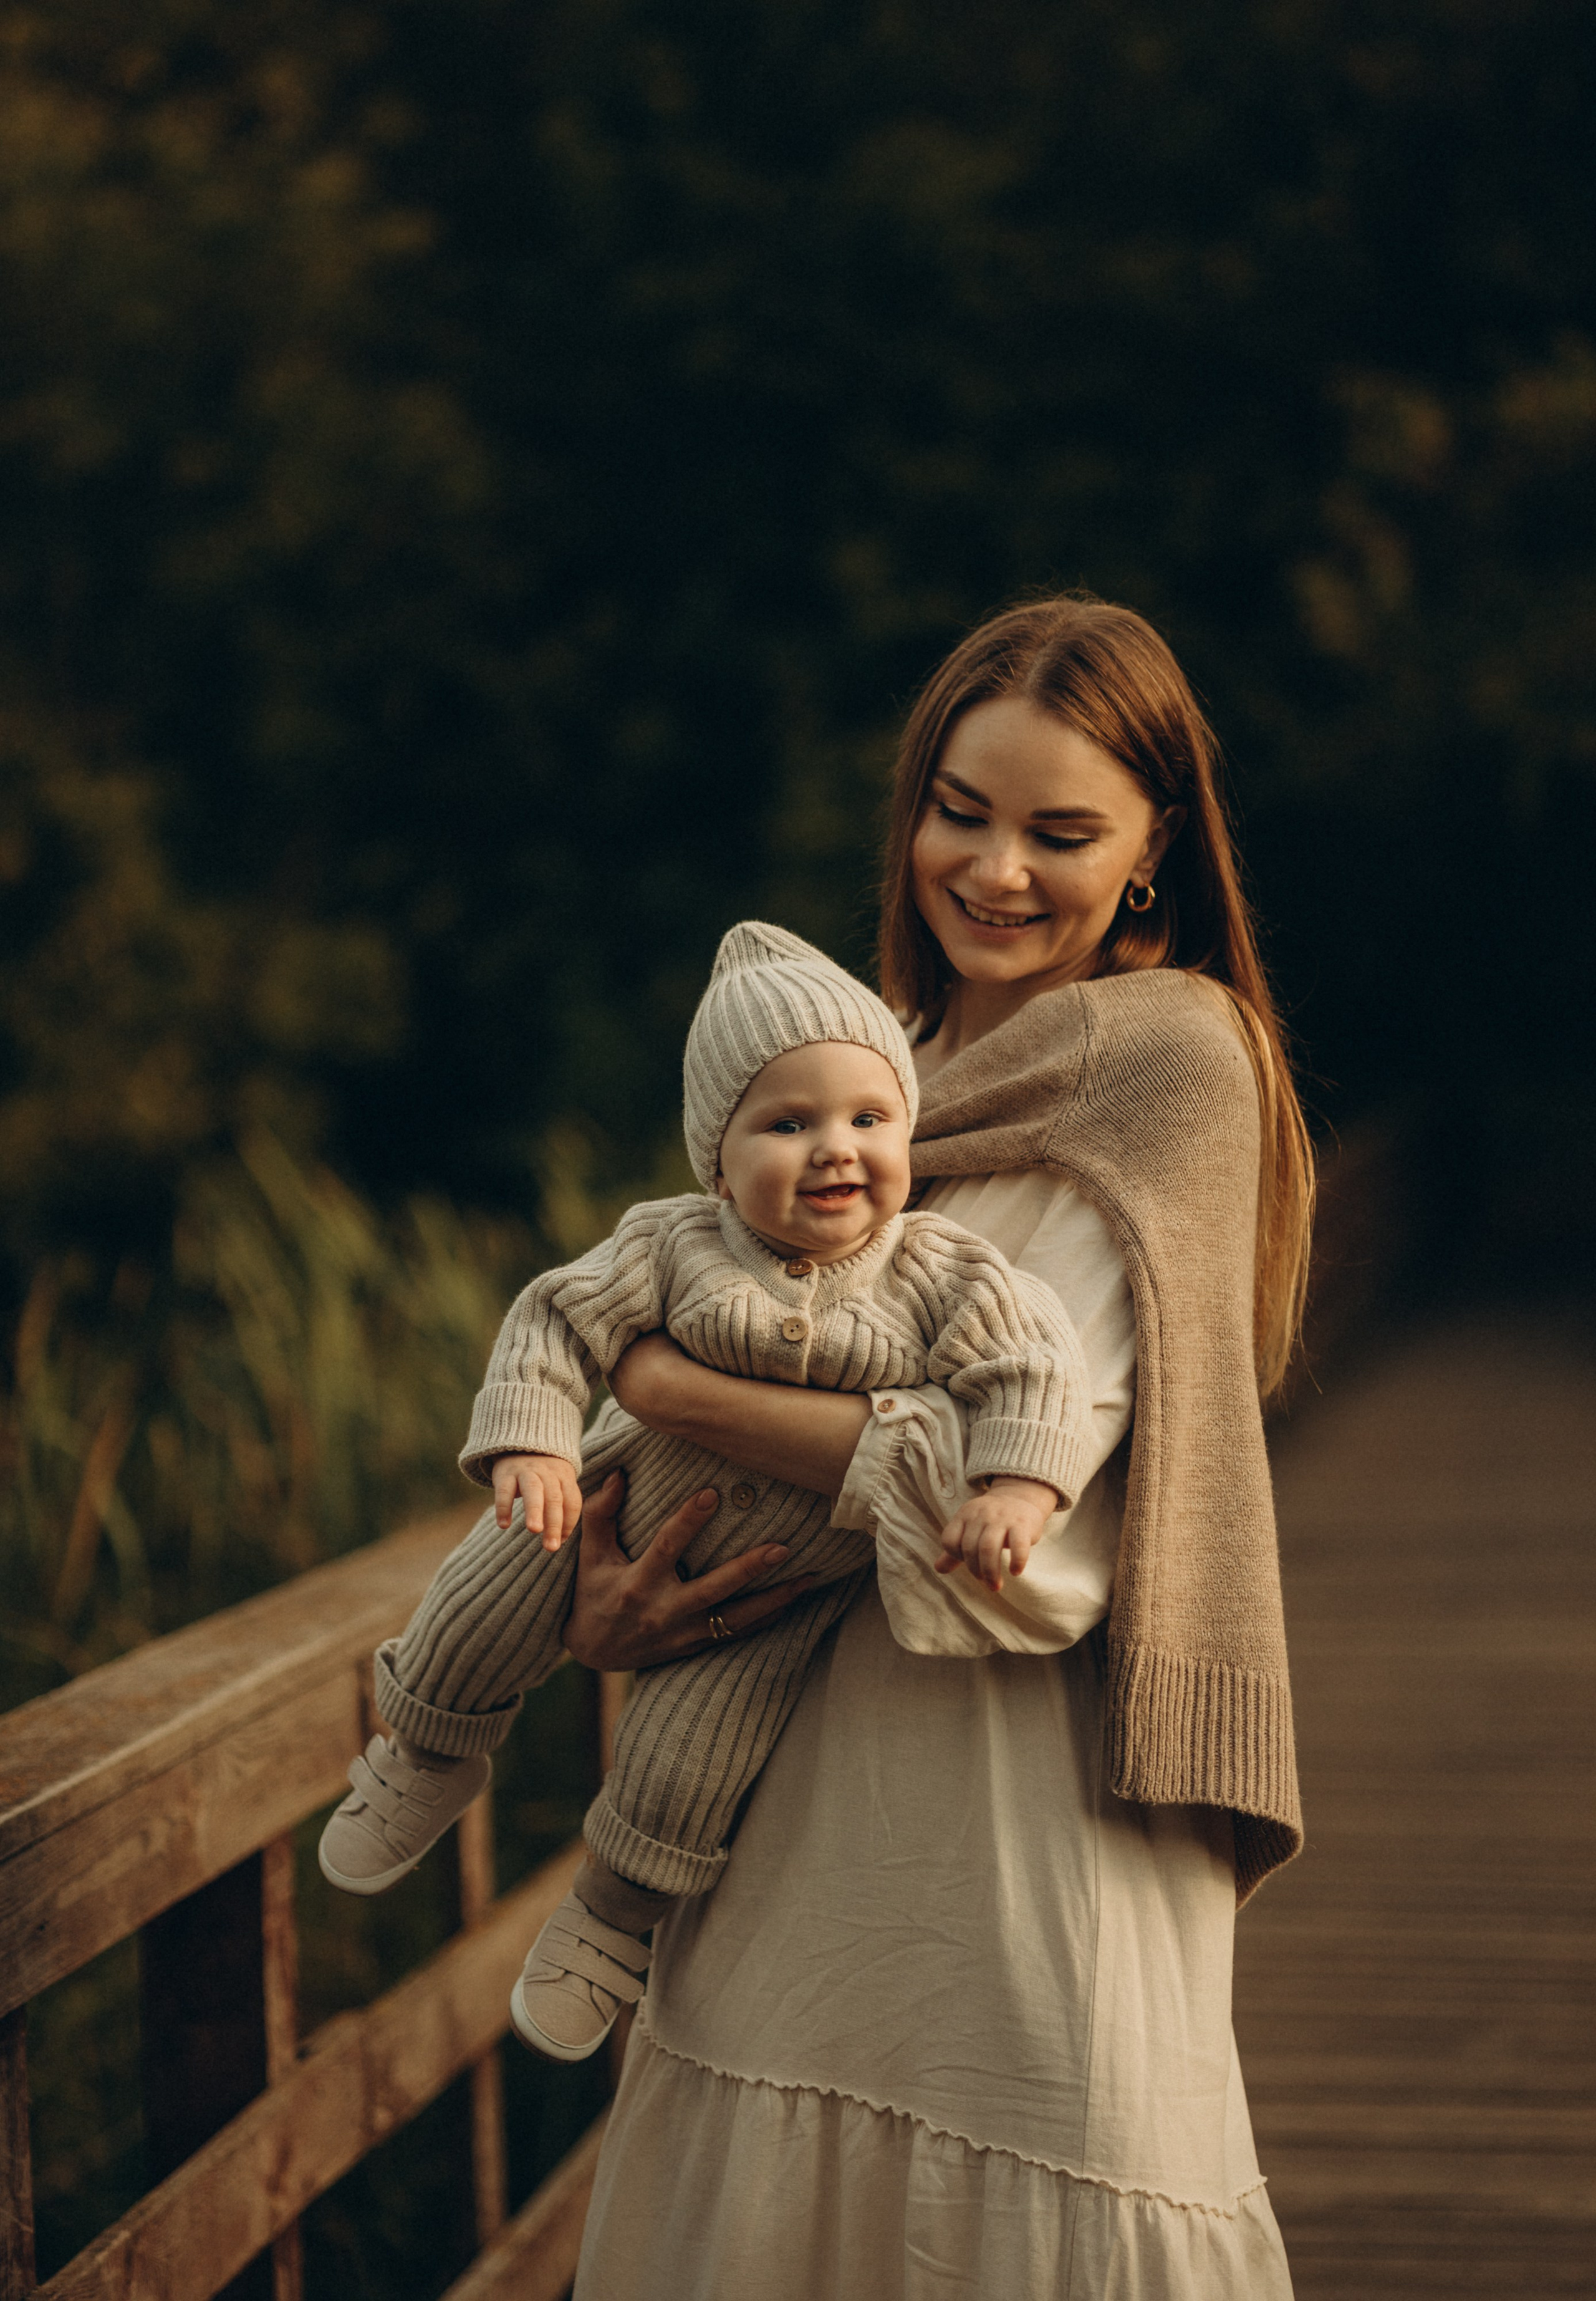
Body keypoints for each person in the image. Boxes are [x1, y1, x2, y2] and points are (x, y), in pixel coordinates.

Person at [564, 594, 1313, 2296]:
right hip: (792, 1804)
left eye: (1061, 833)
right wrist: (595, 1599)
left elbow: (992, 1466)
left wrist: (676, 1392)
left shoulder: (1174, 1061)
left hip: (1027, 1811)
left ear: (1154, 851)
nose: (993, 870)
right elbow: (730, 1398)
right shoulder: (873, 1077)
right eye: (958, 811)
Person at [319, 922, 1095, 2063]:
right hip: (601, 1503)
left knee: (689, 1768)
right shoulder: (673, 1242)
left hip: (771, 1598)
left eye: (868, 1119)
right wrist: (532, 1443)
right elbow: (554, 1316)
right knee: (477, 1601)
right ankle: (426, 1753)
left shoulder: (942, 1270)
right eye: (789, 1123)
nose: (836, 1149)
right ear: (718, 1157)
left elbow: (1036, 1367)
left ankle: (608, 1925)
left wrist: (1017, 1488)